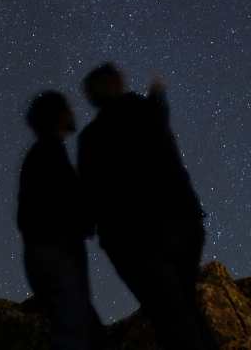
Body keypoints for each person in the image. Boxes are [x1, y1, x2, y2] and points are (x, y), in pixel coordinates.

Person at [77, 63, 213, 350]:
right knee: (182, 308)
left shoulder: (93, 137)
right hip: (177, 224)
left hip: (137, 237)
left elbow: (90, 195)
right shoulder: (145, 112)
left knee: (170, 314)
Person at [17, 90, 103, 350]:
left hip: (48, 255)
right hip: (56, 255)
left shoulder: (44, 153)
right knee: (75, 332)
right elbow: (62, 204)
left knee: (80, 329)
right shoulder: (49, 153)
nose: (72, 113)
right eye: (66, 109)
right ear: (56, 116)